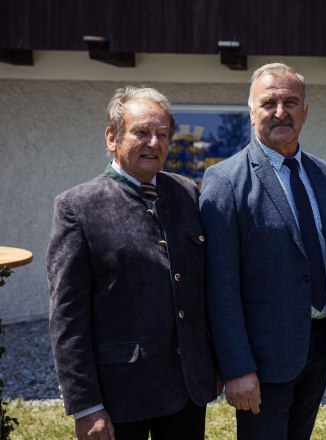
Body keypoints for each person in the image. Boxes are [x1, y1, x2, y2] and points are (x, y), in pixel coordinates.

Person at [47, 86, 218, 440]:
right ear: (112, 137)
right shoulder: (77, 207)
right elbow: (68, 316)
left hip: (186, 389)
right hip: (121, 396)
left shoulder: (187, 193)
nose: (154, 143)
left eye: (162, 134)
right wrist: (86, 405)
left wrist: (213, 363)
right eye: (141, 132)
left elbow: (201, 287)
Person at [199, 62, 326, 440]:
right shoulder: (224, 182)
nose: (280, 112)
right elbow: (220, 285)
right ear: (251, 113)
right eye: (269, 103)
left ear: (306, 111)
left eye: (291, 102)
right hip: (261, 361)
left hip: (315, 349)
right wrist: (236, 367)